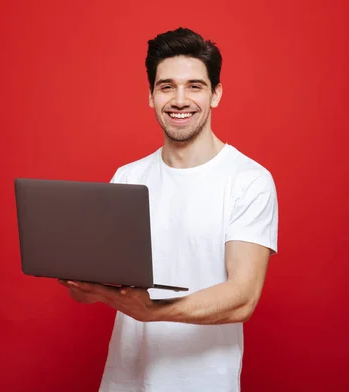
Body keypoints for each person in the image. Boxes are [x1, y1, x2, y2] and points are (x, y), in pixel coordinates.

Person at [59, 27, 279, 392]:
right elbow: (86, 291)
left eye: (194, 86)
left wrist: (155, 311)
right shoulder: (128, 176)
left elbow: (243, 297)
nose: (180, 100)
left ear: (216, 95)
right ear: (151, 96)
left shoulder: (248, 180)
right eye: (166, 87)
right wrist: (79, 279)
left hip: (205, 383)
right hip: (123, 380)